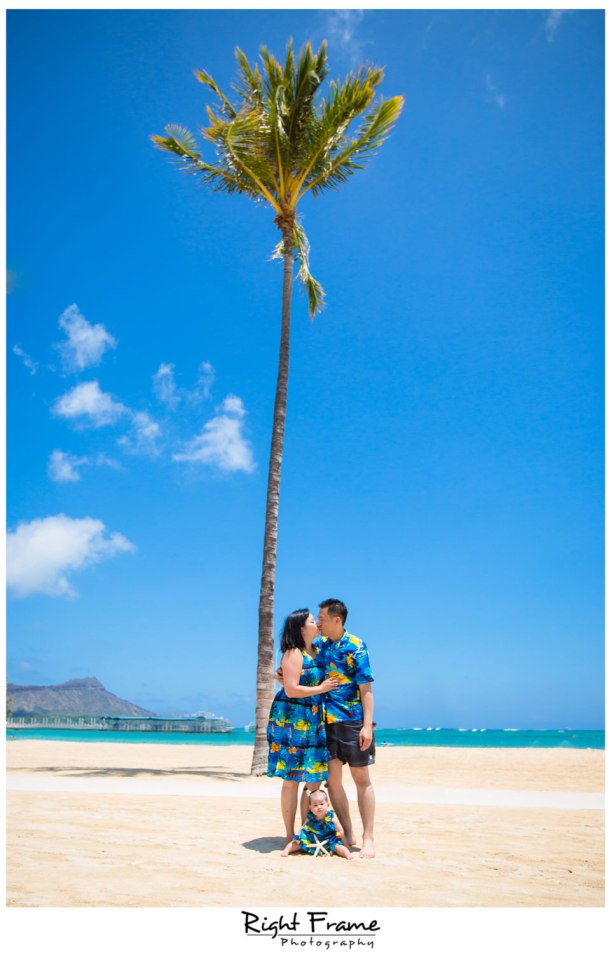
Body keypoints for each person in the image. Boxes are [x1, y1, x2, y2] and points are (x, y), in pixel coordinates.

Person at [267, 609, 340, 847]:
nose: (316, 623)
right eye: (311, 620)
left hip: (314, 720)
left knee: (312, 779)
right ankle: (290, 835)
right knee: (291, 779)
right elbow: (291, 690)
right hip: (292, 720)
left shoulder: (317, 651)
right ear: (301, 628)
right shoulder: (293, 653)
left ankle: (305, 830)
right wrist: (321, 689)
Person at [315, 598, 376, 859]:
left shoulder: (356, 646)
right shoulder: (318, 646)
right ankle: (348, 831)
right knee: (333, 781)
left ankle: (368, 837)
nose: (319, 623)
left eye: (323, 618)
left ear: (337, 619)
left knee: (362, 780)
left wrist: (367, 726)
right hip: (325, 723)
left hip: (352, 721)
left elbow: (367, 689)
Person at [281, 787, 353, 860]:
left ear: (327, 805)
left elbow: (340, 830)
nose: (319, 807)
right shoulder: (310, 817)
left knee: (338, 847)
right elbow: (303, 827)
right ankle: (287, 850)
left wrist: (345, 843)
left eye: (322, 804)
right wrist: (297, 837)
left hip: (328, 839)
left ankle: (347, 854)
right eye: (315, 805)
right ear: (310, 808)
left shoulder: (330, 817)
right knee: (297, 844)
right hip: (311, 839)